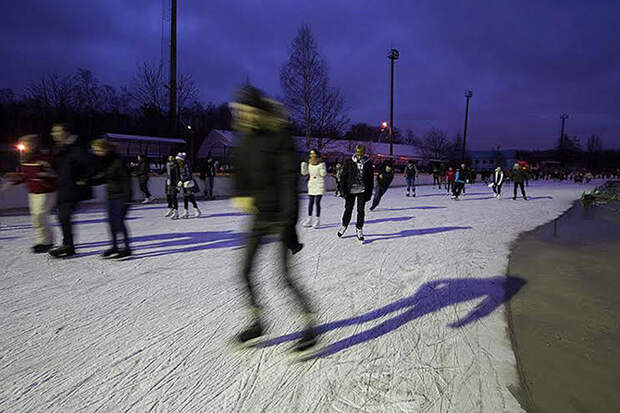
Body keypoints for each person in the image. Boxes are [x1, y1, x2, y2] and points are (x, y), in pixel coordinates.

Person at [230, 85, 316, 351]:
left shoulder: (280, 136)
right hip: (259, 214)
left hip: (281, 215)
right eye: (238, 112)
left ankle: (310, 328)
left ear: (257, 111)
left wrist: (289, 223)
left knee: (284, 277)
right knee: (244, 271)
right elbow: (239, 173)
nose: (242, 116)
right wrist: (241, 193)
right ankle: (258, 322)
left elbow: (289, 182)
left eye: (246, 111)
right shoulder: (243, 139)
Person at [49, 123, 93, 258]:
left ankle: (68, 245)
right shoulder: (58, 149)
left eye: (57, 131)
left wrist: (84, 178)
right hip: (62, 187)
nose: (54, 134)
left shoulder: (76, 148)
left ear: (66, 132)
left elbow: (89, 165)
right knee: (62, 216)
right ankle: (68, 245)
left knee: (64, 215)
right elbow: (58, 167)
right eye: (53, 132)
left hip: (73, 189)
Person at [8, 135, 57, 252]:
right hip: (33, 192)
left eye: (29, 143)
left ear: (35, 144)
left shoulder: (44, 158)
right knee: (36, 217)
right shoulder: (24, 159)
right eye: (24, 144)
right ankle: (43, 240)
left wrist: (45, 177)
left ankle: (46, 242)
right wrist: (15, 180)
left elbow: (54, 174)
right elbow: (25, 175)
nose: (26, 146)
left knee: (40, 215)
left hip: (46, 191)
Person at [90, 138, 132, 258]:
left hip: (121, 196)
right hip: (111, 196)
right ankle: (114, 246)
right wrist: (89, 182)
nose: (95, 153)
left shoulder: (118, 161)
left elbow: (126, 180)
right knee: (111, 223)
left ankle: (126, 248)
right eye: (94, 150)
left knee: (119, 222)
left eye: (98, 150)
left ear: (105, 149)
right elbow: (106, 178)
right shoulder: (105, 161)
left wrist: (127, 198)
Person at [338, 144, 374, 242]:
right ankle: (344, 225)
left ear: (364, 153)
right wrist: (342, 189)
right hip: (350, 190)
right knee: (348, 209)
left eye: (361, 153)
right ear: (355, 152)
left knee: (361, 210)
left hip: (362, 190)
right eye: (358, 153)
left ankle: (359, 228)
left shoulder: (368, 163)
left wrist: (369, 193)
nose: (359, 155)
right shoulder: (349, 162)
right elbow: (343, 177)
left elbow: (370, 179)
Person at [300, 149, 326, 228]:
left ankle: (317, 220)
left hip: (319, 182)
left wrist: (322, 167)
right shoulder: (309, 162)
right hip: (311, 183)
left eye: (313, 153)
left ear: (316, 154)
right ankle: (309, 219)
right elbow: (304, 173)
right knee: (310, 202)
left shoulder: (321, 163)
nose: (312, 155)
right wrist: (303, 165)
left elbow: (323, 174)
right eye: (311, 154)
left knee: (317, 202)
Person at [176, 153, 201, 218]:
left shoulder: (186, 165)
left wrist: (181, 181)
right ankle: (186, 212)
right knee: (185, 198)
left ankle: (197, 210)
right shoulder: (181, 166)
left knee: (191, 197)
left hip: (188, 183)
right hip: (184, 183)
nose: (177, 161)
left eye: (178, 159)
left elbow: (188, 175)